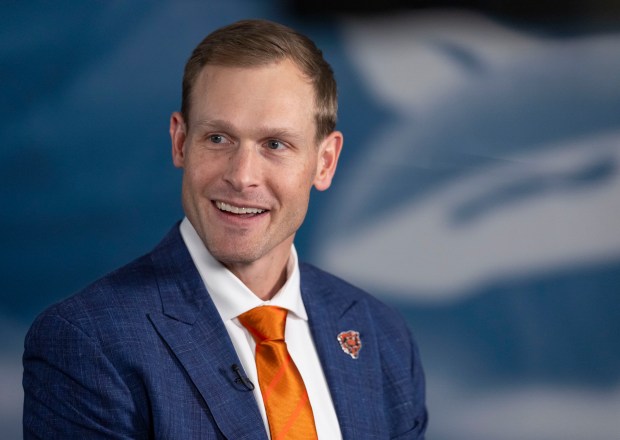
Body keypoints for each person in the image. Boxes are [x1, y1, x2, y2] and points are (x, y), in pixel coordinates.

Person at [22, 19, 427, 439]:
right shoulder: (87, 342)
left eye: (275, 144)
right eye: (218, 138)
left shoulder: (382, 336)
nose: (242, 176)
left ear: (324, 162)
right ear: (180, 142)